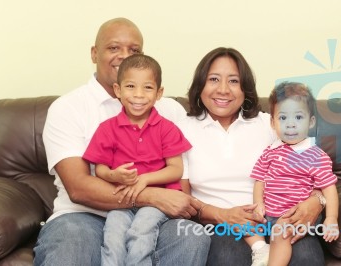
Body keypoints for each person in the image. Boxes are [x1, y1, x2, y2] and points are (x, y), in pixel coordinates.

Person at [33, 18, 210, 266]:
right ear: (94, 53)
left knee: (192, 236)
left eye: (134, 50)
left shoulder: (169, 110)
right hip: (84, 215)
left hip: (157, 216)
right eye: (114, 48)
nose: (124, 56)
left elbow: (186, 173)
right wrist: (152, 196)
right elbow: (79, 188)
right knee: (71, 247)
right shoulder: (68, 108)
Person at [178, 47, 327, 266]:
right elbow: (183, 200)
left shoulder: (268, 124)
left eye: (234, 81)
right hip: (221, 225)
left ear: (245, 88)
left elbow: (316, 169)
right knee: (228, 258)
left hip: (279, 218)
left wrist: (317, 202)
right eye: (213, 79)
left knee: (306, 257)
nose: (223, 89)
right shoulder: (182, 130)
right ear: (200, 84)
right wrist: (222, 215)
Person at [82, 54, 192, 265]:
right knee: (113, 237)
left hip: (158, 201)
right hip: (121, 200)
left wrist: (145, 180)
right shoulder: (107, 129)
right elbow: (100, 169)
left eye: (147, 88)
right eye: (131, 86)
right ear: (118, 90)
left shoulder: (167, 128)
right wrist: (114, 174)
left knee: (141, 232)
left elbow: (176, 169)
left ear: (159, 93)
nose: (138, 95)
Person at [249, 81, 339, 266]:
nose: (290, 125)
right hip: (270, 214)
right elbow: (260, 180)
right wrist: (258, 203)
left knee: (282, 230)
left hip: (298, 215)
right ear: (273, 123)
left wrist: (331, 218)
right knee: (243, 222)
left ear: (311, 121)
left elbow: (329, 190)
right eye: (283, 118)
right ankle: (261, 250)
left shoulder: (315, 155)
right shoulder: (270, 151)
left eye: (298, 117)